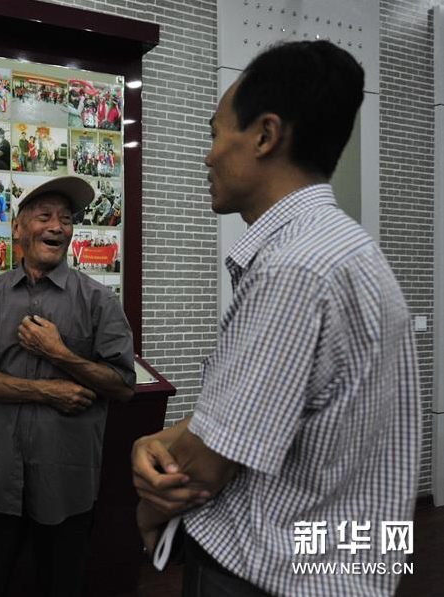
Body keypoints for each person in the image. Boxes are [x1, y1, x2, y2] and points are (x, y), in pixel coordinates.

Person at [131, 40, 419, 597]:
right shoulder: (344, 248)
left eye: (216, 134)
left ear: (265, 135)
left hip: (267, 575)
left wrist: (146, 512)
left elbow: (205, 467)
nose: (208, 156)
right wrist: (159, 437)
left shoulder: (294, 268)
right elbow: (252, 413)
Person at [0, 176, 136, 597]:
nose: (57, 226)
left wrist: (60, 354)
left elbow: (123, 385)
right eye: (44, 216)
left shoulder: (99, 301)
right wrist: (48, 391)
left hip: (66, 483)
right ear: (17, 227)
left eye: (66, 219)